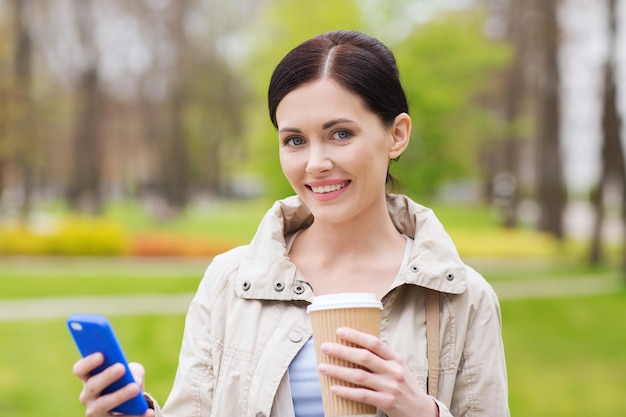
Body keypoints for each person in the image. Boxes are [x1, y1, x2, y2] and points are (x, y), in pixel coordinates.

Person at [73, 30, 510, 417]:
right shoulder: (230, 282)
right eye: (295, 140)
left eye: (341, 134)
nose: (316, 163)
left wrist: (421, 413)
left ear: (396, 134)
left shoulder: (463, 299)